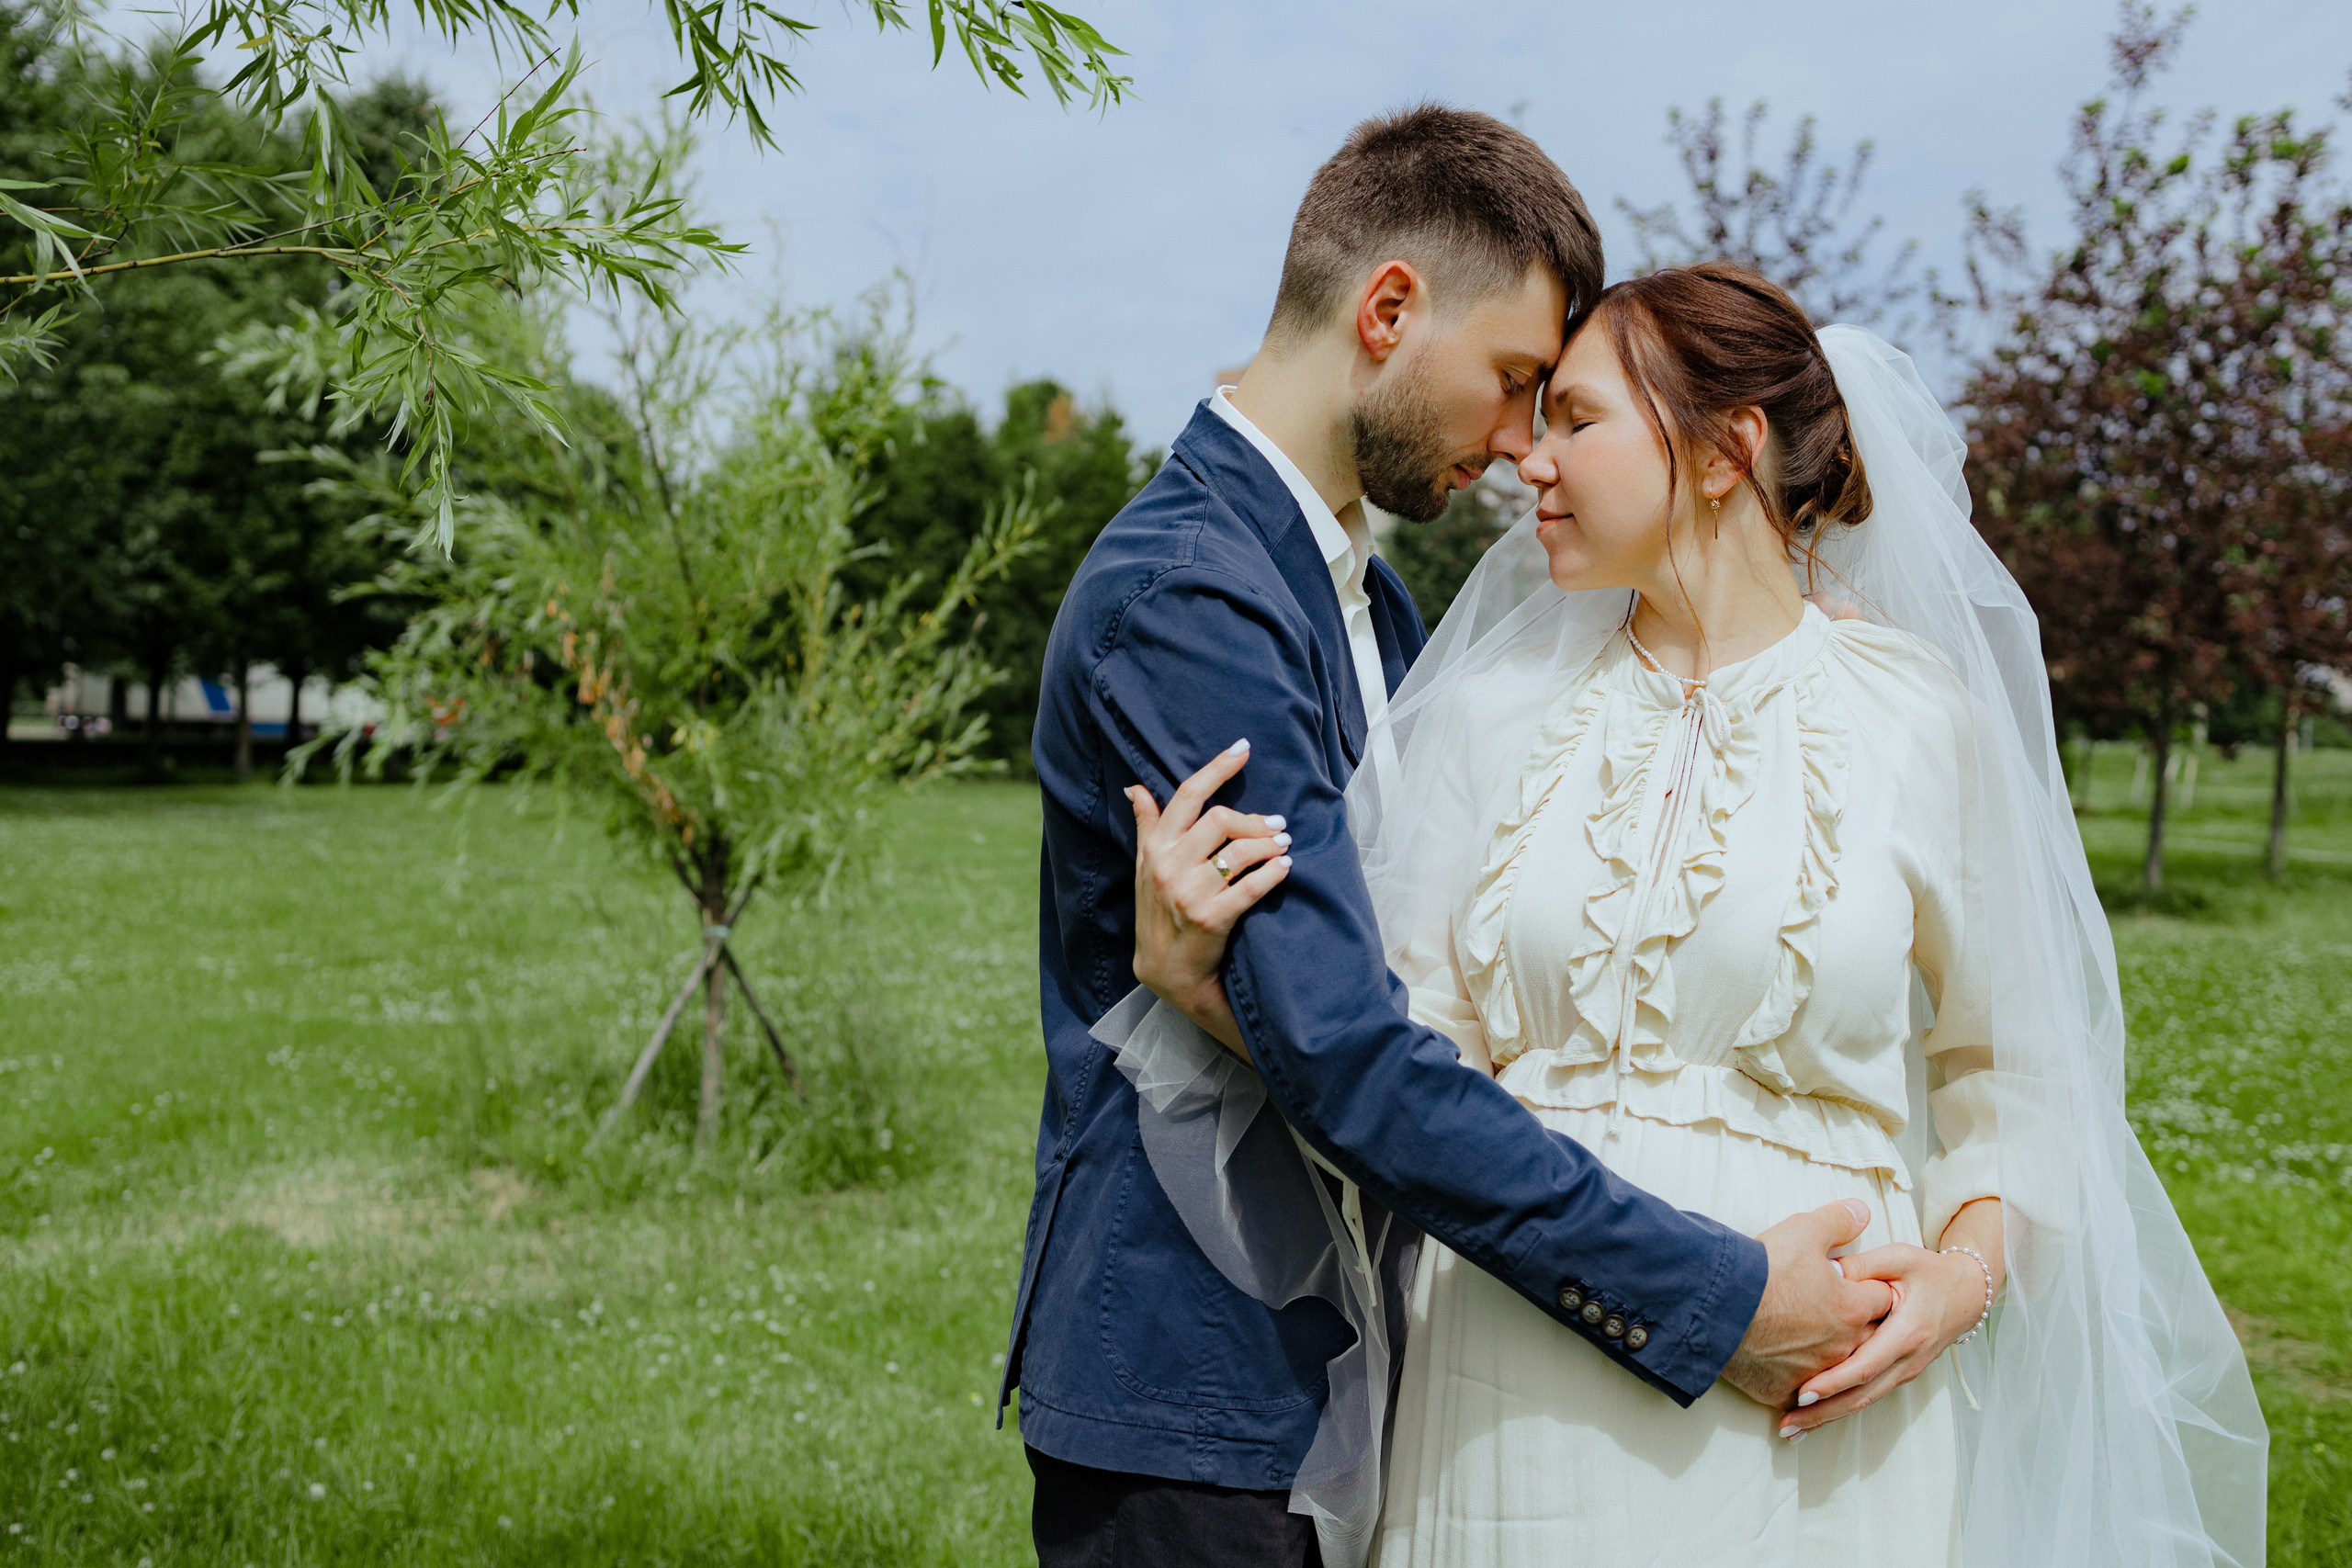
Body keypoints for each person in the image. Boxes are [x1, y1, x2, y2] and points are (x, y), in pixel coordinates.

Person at [1130, 264, 2267, 1564]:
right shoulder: (1492, 717)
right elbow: (1389, 1073)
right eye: (1536, 419)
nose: (1530, 465)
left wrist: (1960, 1283)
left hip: (1827, 1413)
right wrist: (1210, 993)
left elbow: (2016, 1075)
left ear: (1726, 449)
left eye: (1578, 422)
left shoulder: (1918, 720)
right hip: (1516, 1385)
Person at [1005, 107, 1894, 1568]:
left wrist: (1785, 624)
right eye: (1514, 382)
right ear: (1389, 309)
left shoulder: (1376, 606)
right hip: (1198, 1388)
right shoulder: (1191, 597)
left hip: (1356, 1361)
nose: (1513, 442)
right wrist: (1714, 1296)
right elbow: (1348, 1047)